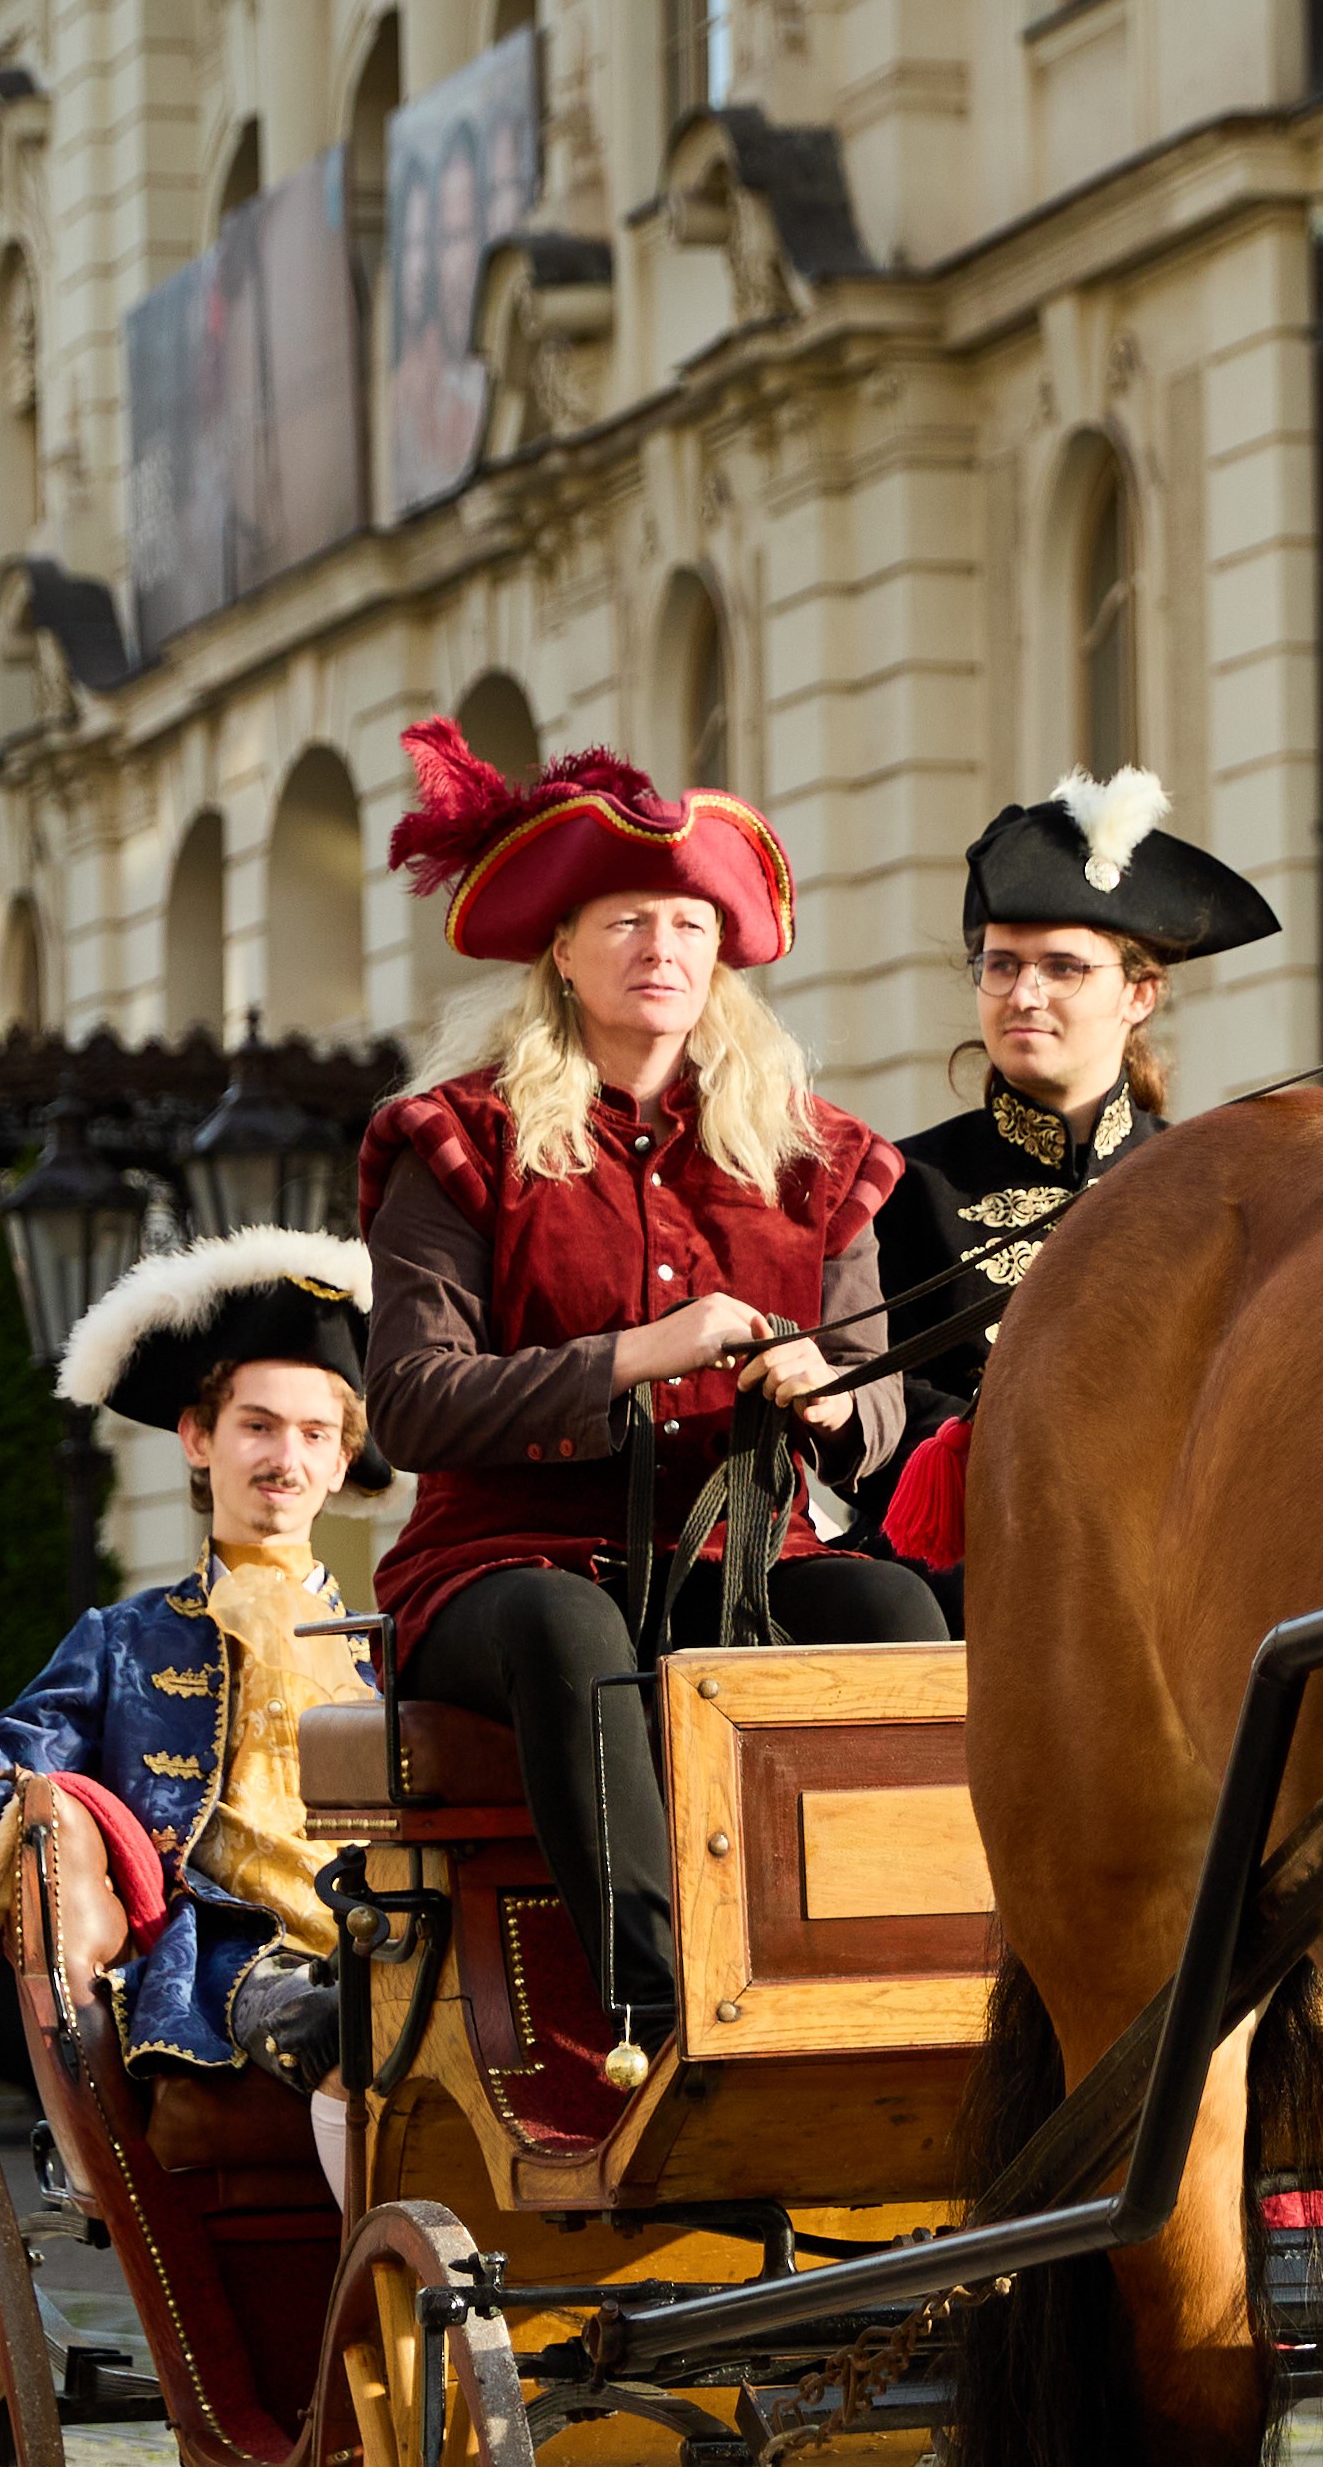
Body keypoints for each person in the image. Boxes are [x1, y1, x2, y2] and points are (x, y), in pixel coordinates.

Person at [359, 717, 946, 2036]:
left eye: (688, 924)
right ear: (562, 951)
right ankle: (664, 2012)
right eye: (625, 920)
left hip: (742, 1557)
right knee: (571, 1630)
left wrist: (829, 1393)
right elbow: (408, 1400)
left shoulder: (815, 1156)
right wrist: (635, 1355)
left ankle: (903, 1983)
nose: (661, 947)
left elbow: (877, 1393)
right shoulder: (456, 1142)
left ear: (721, 953)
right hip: (499, 1566)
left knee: (891, 1604)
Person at [0, 1234, 385, 2168]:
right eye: (258, 1425)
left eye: (313, 1434)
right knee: (348, 2028)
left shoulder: (389, 1649)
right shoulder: (124, 1643)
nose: (285, 1458)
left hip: (386, 1945)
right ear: (198, 1436)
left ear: (343, 1459)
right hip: (233, 1969)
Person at [864, 765, 1281, 1599]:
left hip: (1177, 1567)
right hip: (972, 1576)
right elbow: (876, 1406)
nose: (1024, 994)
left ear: (1141, 993)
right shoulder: (899, 1185)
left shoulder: (1219, 1185)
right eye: (1001, 965)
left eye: (1062, 967)